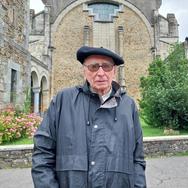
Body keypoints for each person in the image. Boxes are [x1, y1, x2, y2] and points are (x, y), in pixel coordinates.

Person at [31, 46, 146, 188]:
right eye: (93, 67)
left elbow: (138, 159)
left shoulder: (128, 106)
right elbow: (42, 153)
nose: (100, 73)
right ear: (84, 70)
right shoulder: (63, 100)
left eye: (107, 67)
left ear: (114, 71)